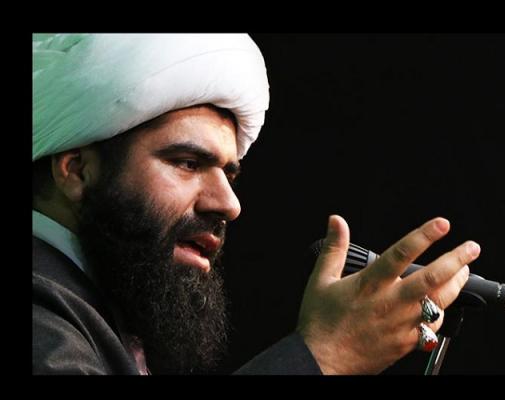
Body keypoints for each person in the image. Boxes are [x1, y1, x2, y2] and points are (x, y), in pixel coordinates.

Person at [32, 33, 481, 375]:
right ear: (77, 170)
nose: (229, 204)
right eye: (188, 163)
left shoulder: (99, 306)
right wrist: (323, 354)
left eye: (229, 174)